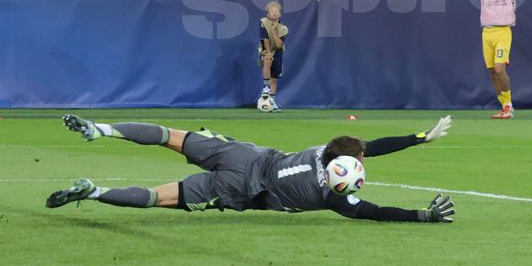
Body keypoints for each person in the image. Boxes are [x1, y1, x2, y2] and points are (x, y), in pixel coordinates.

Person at [47, 111, 456, 222]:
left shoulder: (324, 149)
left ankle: (102, 129)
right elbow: (378, 212)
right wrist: (424, 216)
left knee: (173, 136)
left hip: (245, 156)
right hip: (243, 190)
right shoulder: (334, 200)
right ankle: (96, 192)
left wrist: (421, 137)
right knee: (159, 198)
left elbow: (373, 146)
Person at [257, 1, 288, 111]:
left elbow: (279, 45)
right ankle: (266, 88)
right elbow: (265, 40)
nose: (274, 13)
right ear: (268, 15)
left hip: (278, 52)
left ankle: (272, 102)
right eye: (272, 11)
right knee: (268, 60)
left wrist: (275, 30)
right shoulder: (263, 22)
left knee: (274, 78)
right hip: (266, 50)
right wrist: (268, 52)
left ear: (279, 14)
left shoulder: (283, 28)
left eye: (277, 11)